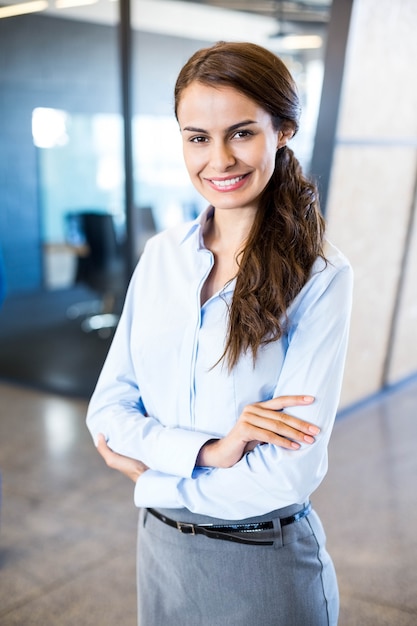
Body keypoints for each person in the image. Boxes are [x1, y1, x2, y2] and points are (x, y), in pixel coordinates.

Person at [87, 41, 353, 626]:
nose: (220, 160)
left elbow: (289, 473)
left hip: (262, 563)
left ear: (282, 130)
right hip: (158, 550)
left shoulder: (322, 276)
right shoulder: (161, 257)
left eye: (242, 133)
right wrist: (208, 453)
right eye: (198, 137)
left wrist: (154, 476)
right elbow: (108, 412)